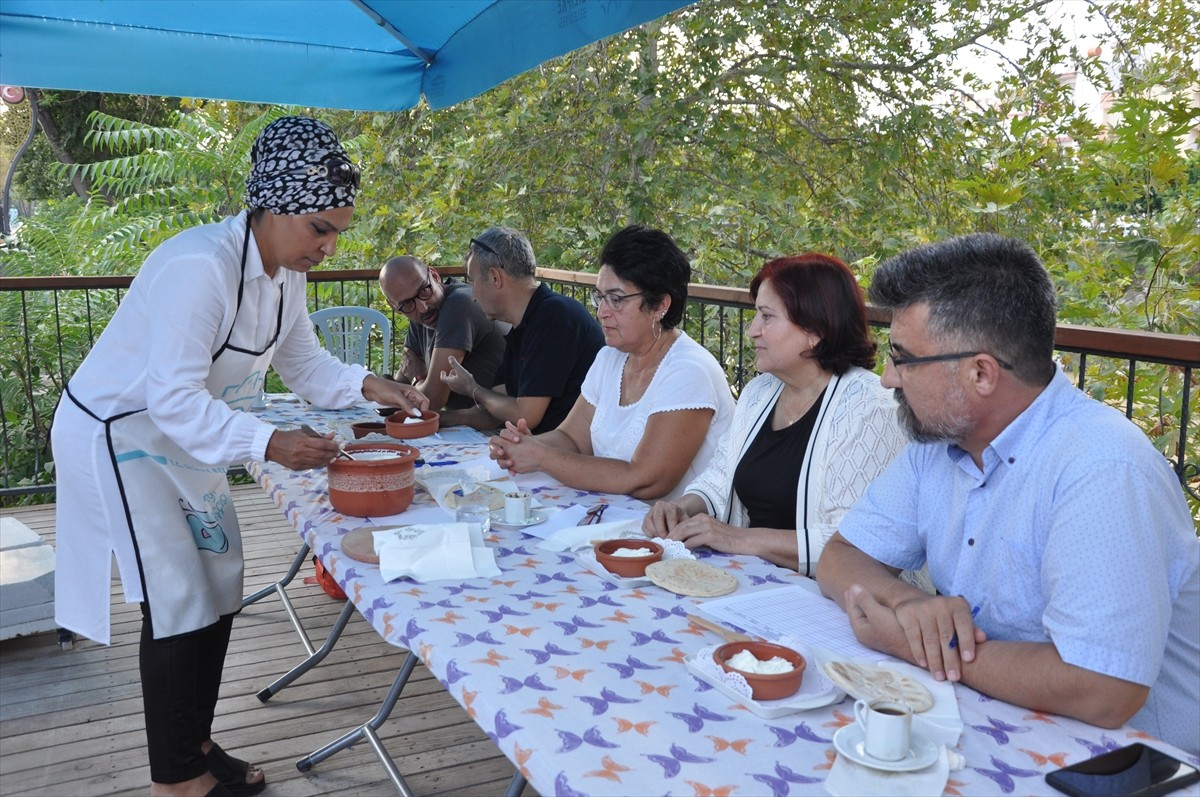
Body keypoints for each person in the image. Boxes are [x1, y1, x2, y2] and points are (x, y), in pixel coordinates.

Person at [51, 116, 428, 797]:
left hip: (187, 432)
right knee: (176, 594)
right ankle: (177, 779)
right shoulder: (202, 267)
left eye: (338, 228)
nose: (331, 243)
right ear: (273, 206)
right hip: (121, 433)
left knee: (220, 578)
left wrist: (372, 386)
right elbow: (168, 397)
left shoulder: (284, 274)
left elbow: (306, 364)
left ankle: (193, 742)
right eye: (320, 227)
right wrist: (269, 442)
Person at [815, 233, 1199, 755]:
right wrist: (908, 603)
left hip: (1123, 765)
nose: (887, 380)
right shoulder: (941, 440)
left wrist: (914, 641)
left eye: (903, 360)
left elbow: (1103, 689)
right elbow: (842, 556)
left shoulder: (1103, 467)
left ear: (981, 373)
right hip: (997, 726)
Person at [643, 254, 907, 574]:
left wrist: (740, 539)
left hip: (838, 603)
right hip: (757, 584)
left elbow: (858, 543)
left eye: (767, 317)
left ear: (816, 329)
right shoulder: (760, 392)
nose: (753, 330)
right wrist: (682, 508)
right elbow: (719, 479)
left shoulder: (870, 409)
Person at [489, 225, 735, 500]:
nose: (602, 312)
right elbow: (572, 439)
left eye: (616, 300)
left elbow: (645, 479)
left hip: (677, 532)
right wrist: (521, 445)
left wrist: (542, 457)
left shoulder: (689, 370)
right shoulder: (610, 358)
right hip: (615, 516)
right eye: (600, 297)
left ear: (659, 306)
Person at [438, 226, 604, 433]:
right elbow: (493, 413)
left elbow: (525, 416)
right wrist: (433, 418)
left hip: (569, 452)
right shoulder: (522, 325)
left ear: (495, 277)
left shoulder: (555, 317)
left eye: (473, 282)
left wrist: (473, 388)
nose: (473, 295)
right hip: (539, 448)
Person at [379, 254, 506, 410]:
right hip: (463, 425)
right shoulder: (419, 315)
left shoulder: (459, 305)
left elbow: (431, 400)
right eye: (406, 304)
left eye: (424, 290)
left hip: (500, 425)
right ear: (393, 306)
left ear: (435, 276)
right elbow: (402, 379)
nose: (423, 307)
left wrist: (417, 379)